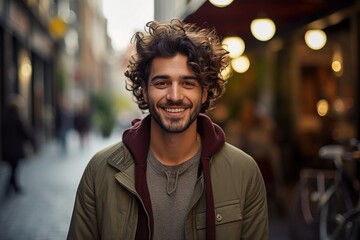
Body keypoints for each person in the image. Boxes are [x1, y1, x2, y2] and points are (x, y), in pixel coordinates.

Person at [67, 19, 268, 239]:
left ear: (204, 93)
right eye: (162, 83)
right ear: (144, 91)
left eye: (188, 83)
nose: (174, 96)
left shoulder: (244, 172)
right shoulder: (101, 171)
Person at [1, 94, 34, 194]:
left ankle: (13, 186)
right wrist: (31, 140)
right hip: (15, 148)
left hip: (6, 148)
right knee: (14, 167)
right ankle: (11, 185)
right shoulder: (17, 118)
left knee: (13, 167)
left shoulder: (4, 118)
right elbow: (24, 132)